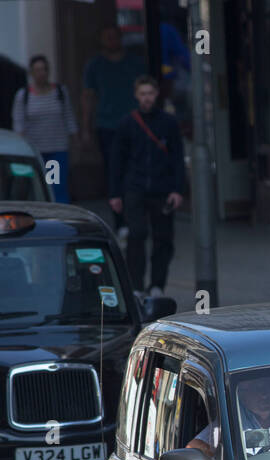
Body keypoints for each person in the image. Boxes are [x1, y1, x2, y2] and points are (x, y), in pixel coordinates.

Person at [109, 76, 185, 298]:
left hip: (162, 189)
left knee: (163, 238)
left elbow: (177, 158)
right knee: (137, 235)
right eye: (143, 94)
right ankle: (137, 286)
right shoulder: (127, 124)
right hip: (135, 187)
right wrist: (115, 193)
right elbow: (117, 160)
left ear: (157, 94)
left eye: (150, 93)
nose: (147, 98)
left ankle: (157, 285)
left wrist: (177, 189)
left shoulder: (169, 123)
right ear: (136, 95)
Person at [82, 25, 143, 230]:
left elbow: (148, 91)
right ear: (101, 41)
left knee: (136, 172)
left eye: (114, 37)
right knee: (114, 173)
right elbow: (88, 97)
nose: (111, 41)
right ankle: (120, 222)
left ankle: (138, 219)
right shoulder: (95, 65)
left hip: (135, 125)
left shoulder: (135, 63)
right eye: (107, 38)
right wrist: (86, 128)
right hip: (107, 126)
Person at [13, 55, 79, 203]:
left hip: (56, 149)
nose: (41, 73)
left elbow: (69, 117)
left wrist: (76, 140)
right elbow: (19, 124)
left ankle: (59, 218)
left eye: (43, 69)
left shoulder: (60, 92)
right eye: (37, 70)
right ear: (31, 73)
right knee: (34, 187)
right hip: (34, 152)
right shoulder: (24, 96)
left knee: (56, 186)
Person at [191, 375, 270, 457]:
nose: (264, 394)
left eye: (269, 387)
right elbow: (193, 447)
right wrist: (215, 455)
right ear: (242, 396)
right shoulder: (231, 420)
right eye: (257, 388)